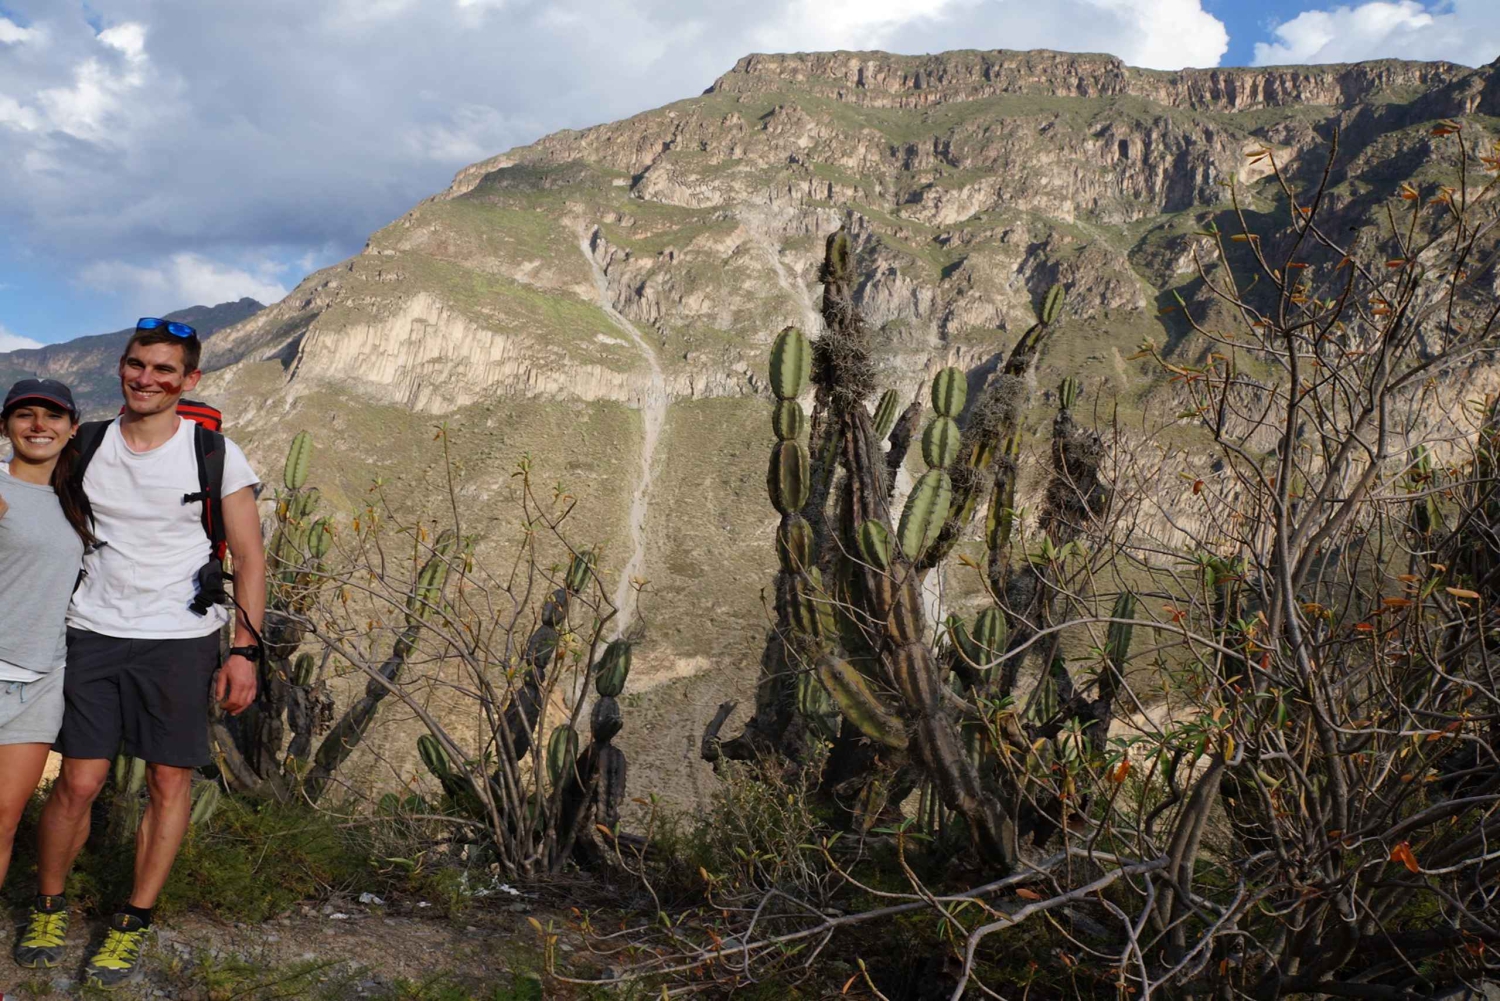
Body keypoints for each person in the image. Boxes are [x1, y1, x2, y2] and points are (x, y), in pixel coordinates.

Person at [14, 319, 267, 989]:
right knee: (78, 781)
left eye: (163, 369)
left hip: (180, 641)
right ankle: (48, 906)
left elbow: (249, 556)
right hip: (90, 630)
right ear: (122, 366)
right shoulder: (88, 445)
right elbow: (26, 489)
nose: (146, 378)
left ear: (189, 380)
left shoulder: (214, 454)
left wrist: (245, 652)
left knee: (168, 782)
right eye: (136, 364)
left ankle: (133, 919)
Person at [0, 380, 93, 997]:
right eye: (24, 415)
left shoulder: (76, 500)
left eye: (51, 416)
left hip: (37, 682)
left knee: (3, 824)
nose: (38, 425)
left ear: (71, 427)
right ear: (6, 426)